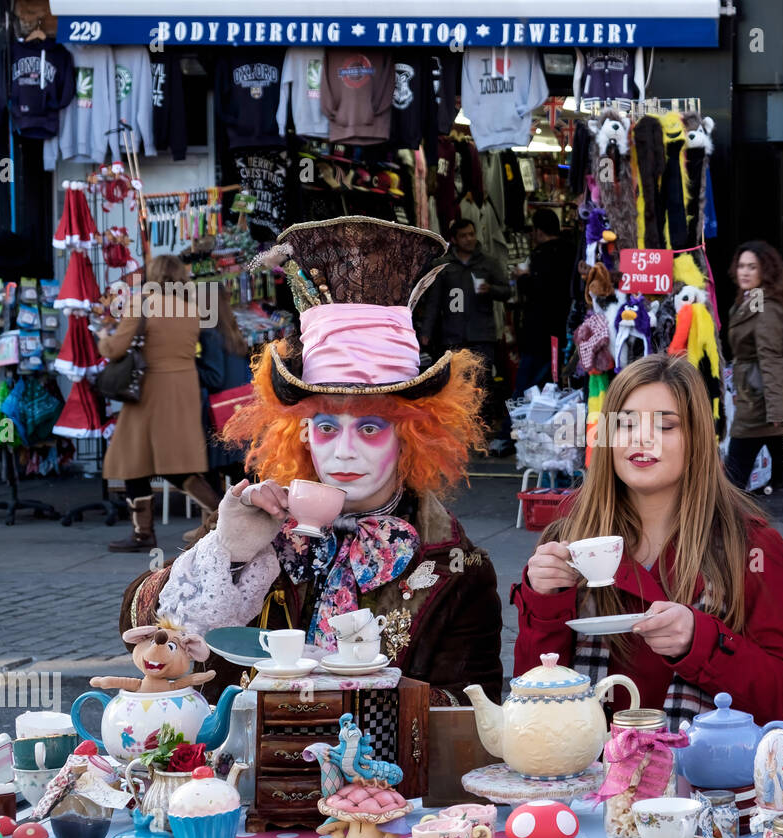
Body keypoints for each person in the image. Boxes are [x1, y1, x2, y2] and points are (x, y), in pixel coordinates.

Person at [119, 217, 503, 706]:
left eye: (369, 427)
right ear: (301, 434)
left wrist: (363, 696)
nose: (343, 450)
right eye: (326, 427)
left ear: (410, 436)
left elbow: (474, 710)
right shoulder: (261, 517)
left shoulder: (454, 564)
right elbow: (144, 632)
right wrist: (229, 553)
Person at [513, 353, 783, 728]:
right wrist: (544, 603)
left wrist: (699, 642)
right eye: (626, 424)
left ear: (697, 438)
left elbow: (782, 701)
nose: (642, 439)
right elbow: (530, 703)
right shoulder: (566, 541)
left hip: (701, 781)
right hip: (585, 777)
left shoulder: (750, 546)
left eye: (666, 426)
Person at [99, 254, 220, 552]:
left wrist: (103, 337)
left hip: (150, 390)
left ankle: (145, 533)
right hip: (183, 388)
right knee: (173, 460)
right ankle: (220, 513)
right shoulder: (191, 309)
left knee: (133, 459)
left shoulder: (141, 303)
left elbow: (116, 349)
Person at [722, 240, 783, 549]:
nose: (745, 272)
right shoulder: (757, 299)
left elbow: (771, 358)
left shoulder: (765, 307)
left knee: (734, 471)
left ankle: (721, 532)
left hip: (766, 400)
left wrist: (777, 412)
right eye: (741, 265)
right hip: (765, 395)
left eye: (753, 266)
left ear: (766, 270)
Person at [413, 217, 513, 452]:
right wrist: (425, 333)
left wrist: (492, 290)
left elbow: (507, 292)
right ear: (455, 240)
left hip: (482, 333)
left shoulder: (488, 263)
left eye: (472, 234)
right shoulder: (445, 266)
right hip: (453, 334)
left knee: (481, 383)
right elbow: (434, 303)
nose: (470, 239)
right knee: (456, 385)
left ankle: (482, 432)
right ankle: (458, 432)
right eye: (464, 236)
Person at [183, 286, 254, 544]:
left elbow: (214, 377)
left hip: (218, 414)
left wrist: (189, 363)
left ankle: (215, 525)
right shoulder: (233, 331)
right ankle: (233, 524)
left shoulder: (209, 334)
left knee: (209, 470)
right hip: (239, 411)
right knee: (240, 472)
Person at [513, 209, 575, 395]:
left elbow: (537, 290)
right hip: (563, 326)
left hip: (539, 330)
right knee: (553, 378)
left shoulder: (541, 255)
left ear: (539, 231)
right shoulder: (571, 250)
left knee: (529, 381)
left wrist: (522, 278)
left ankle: (517, 421)